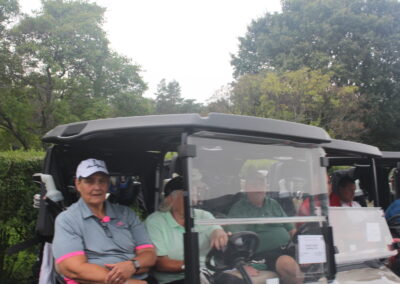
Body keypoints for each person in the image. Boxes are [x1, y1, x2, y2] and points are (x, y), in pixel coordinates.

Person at [52, 158, 157, 284]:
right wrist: (126, 282)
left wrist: (133, 265)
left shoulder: (127, 214)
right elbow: (74, 269)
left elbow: (149, 254)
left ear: (108, 185)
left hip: (139, 278)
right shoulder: (67, 220)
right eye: (89, 181)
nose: (97, 187)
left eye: (102, 181)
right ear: (78, 184)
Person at [145, 176, 228, 284]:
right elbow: (162, 264)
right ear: (171, 198)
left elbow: (216, 230)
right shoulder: (155, 222)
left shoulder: (204, 215)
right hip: (176, 280)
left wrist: (219, 233)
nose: (194, 197)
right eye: (189, 193)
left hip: (210, 275)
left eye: (195, 192)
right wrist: (194, 267)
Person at [227, 168, 303, 284]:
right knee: (289, 266)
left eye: (261, 183)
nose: (258, 187)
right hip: (261, 255)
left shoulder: (273, 204)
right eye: (254, 184)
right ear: (246, 187)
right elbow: (235, 240)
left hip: (287, 248)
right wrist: (242, 265)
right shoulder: (239, 209)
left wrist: (302, 248)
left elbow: (291, 229)